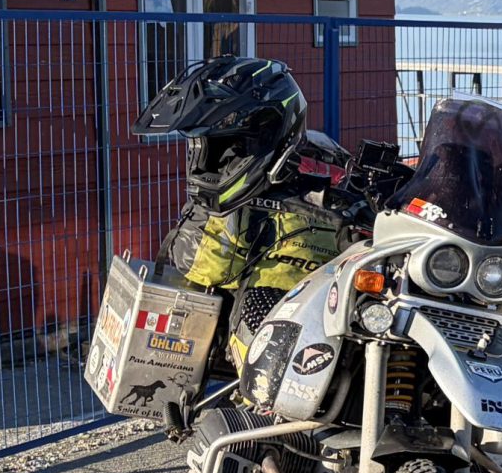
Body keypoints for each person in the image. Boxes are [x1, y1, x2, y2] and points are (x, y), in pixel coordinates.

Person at [140, 56, 361, 370]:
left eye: (224, 146)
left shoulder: (259, 189)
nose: (211, 160)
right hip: (310, 320)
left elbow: (200, 267)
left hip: (301, 314)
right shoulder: (324, 155)